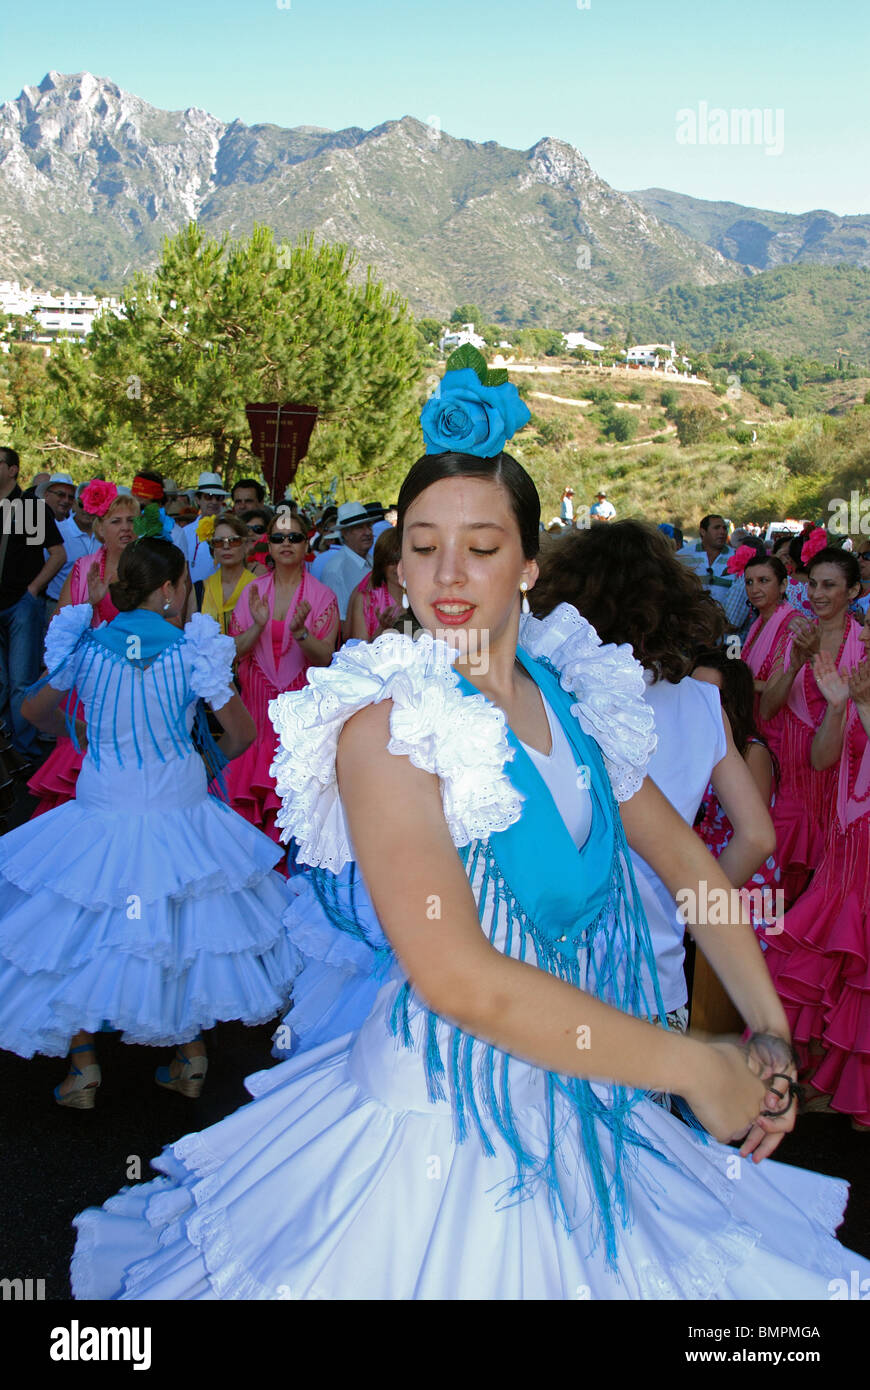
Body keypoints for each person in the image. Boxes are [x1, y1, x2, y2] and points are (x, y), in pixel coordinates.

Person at [69, 353, 869, 1302]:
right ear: (396, 558)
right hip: (441, 1123)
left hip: (582, 1095)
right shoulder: (383, 724)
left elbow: (695, 871)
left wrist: (770, 1029)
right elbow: (457, 979)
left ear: (530, 564)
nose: (449, 574)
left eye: (483, 547)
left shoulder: (577, 698)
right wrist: (696, 1063)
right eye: (421, 544)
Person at [0, 531, 298, 1106]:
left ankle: (84, 1067)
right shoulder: (194, 651)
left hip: (103, 806)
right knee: (184, 927)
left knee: (85, 930)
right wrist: (199, 754)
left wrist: (88, 733)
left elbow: (35, 712)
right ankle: (189, 1056)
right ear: (168, 588)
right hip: (177, 807)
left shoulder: (85, 647)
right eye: (185, 585)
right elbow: (241, 734)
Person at [531, 520, 774, 1031]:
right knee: (646, 1110)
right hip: (653, 973)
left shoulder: (551, 698)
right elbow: (756, 836)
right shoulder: (704, 703)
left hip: (549, 968)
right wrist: (687, 905)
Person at [765, 618, 870, 1130]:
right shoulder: (854, 687)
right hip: (845, 854)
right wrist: (837, 708)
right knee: (820, 963)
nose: (865, 636)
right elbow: (821, 758)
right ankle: (827, 1079)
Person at [225, 511, 339, 842]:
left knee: (295, 812)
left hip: (300, 714)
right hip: (256, 710)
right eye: (278, 537)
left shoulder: (323, 596)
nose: (286, 543)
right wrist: (259, 624)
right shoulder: (252, 592)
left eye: (294, 537)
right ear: (269, 547)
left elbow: (326, 659)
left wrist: (301, 633)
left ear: (307, 545)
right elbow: (234, 652)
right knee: (250, 815)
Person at [26, 483, 140, 815]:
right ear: (99, 527)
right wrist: (92, 606)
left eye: (130, 520)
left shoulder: (146, 566)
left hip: (136, 679)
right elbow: (60, 629)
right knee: (79, 767)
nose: (125, 528)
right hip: (91, 684)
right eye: (116, 521)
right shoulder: (82, 568)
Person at [759, 547, 864, 906]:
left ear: (853, 591)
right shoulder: (795, 637)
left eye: (829, 585)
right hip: (795, 776)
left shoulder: (864, 646)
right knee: (779, 868)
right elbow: (769, 708)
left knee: (828, 884)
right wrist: (794, 666)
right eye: (814, 584)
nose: (817, 594)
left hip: (843, 781)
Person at [691, 647, 782, 945]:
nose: (697, 701)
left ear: (732, 704)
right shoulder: (690, 744)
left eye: (709, 694)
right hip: (700, 871)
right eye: (691, 690)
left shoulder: (752, 752)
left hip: (745, 879)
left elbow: (752, 837)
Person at [0, 446, 66, 761]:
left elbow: (58, 553)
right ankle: (5, 753)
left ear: (13, 470)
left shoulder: (30, 508)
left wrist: (33, 589)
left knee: (21, 681)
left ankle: (22, 752)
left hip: (20, 605)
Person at [739, 553, 793, 759]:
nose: (754, 589)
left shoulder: (792, 626)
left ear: (783, 585)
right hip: (755, 728)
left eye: (764, 581)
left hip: (779, 732)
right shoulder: (758, 623)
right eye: (749, 582)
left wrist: (743, 683)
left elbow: (784, 687)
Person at [185, 513, 256, 635]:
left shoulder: (258, 586)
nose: (226, 546)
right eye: (218, 542)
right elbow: (189, 636)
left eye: (234, 541)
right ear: (213, 549)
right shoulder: (200, 589)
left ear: (246, 546)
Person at [45, 482, 102, 625]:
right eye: (83, 505)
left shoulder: (106, 535)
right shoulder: (57, 531)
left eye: (93, 506)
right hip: (59, 607)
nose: (87, 510)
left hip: (96, 609)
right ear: (75, 504)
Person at [319, 502, 374, 629]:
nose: (367, 532)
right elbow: (338, 622)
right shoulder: (336, 570)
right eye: (360, 528)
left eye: (369, 526)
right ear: (345, 533)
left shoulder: (371, 560)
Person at [345, 526, 403, 641]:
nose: (399, 568)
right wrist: (382, 629)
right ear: (382, 564)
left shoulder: (422, 597)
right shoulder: (366, 601)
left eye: (404, 560)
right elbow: (359, 653)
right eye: (392, 562)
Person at [180, 472, 229, 583]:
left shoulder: (229, 530)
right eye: (208, 497)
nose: (214, 502)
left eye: (218, 497)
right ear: (198, 500)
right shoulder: (185, 532)